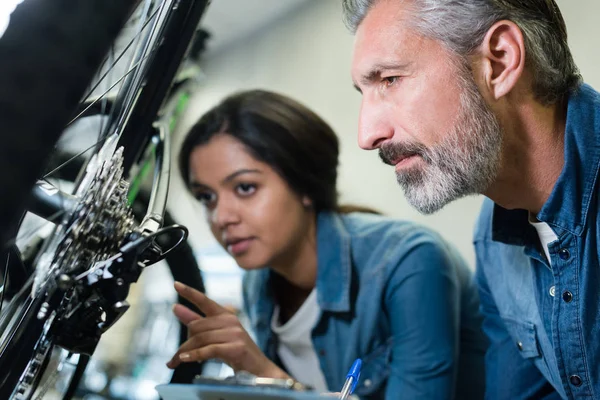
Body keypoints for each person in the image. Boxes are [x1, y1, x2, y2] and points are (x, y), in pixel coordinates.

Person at [344, 0, 599, 398]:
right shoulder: (492, 238)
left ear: (499, 61)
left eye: (390, 80)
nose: (367, 135)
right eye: (364, 91)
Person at [166, 89, 488, 399]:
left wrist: (263, 375)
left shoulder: (410, 261)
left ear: (305, 184)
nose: (221, 217)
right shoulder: (258, 282)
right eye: (206, 197)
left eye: (245, 187)